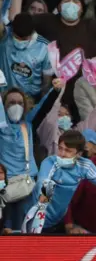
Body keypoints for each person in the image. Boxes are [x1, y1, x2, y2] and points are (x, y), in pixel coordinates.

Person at [26, 130, 96, 233]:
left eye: (68, 150)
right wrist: (43, 200)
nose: (62, 154)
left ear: (79, 154)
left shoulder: (85, 165)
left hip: (60, 220)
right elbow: (43, 181)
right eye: (60, 148)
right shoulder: (50, 162)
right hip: (38, 217)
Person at [0, 87, 50, 231]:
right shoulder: (1, 127)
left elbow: (43, 107)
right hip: (4, 186)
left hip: (25, 186)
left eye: (20, 103)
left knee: (23, 227)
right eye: (11, 103)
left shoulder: (27, 125)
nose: (16, 106)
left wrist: (56, 90)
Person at [38, 80, 96, 156]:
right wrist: (60, 91)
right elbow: (51, 114)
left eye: (67, 114)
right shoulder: (49, 131)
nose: (64, 117)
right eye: (59, 114)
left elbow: (94, 119)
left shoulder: (75, 133)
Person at [0, 12, 53, 100]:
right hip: (3, 96)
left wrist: (41, 103)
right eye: (16, 37)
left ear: (32, 32)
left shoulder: (45, 47)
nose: (19, 41)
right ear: (12, 30)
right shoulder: (4, 36)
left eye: (24, 39)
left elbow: (46, 81)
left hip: (30, 99)